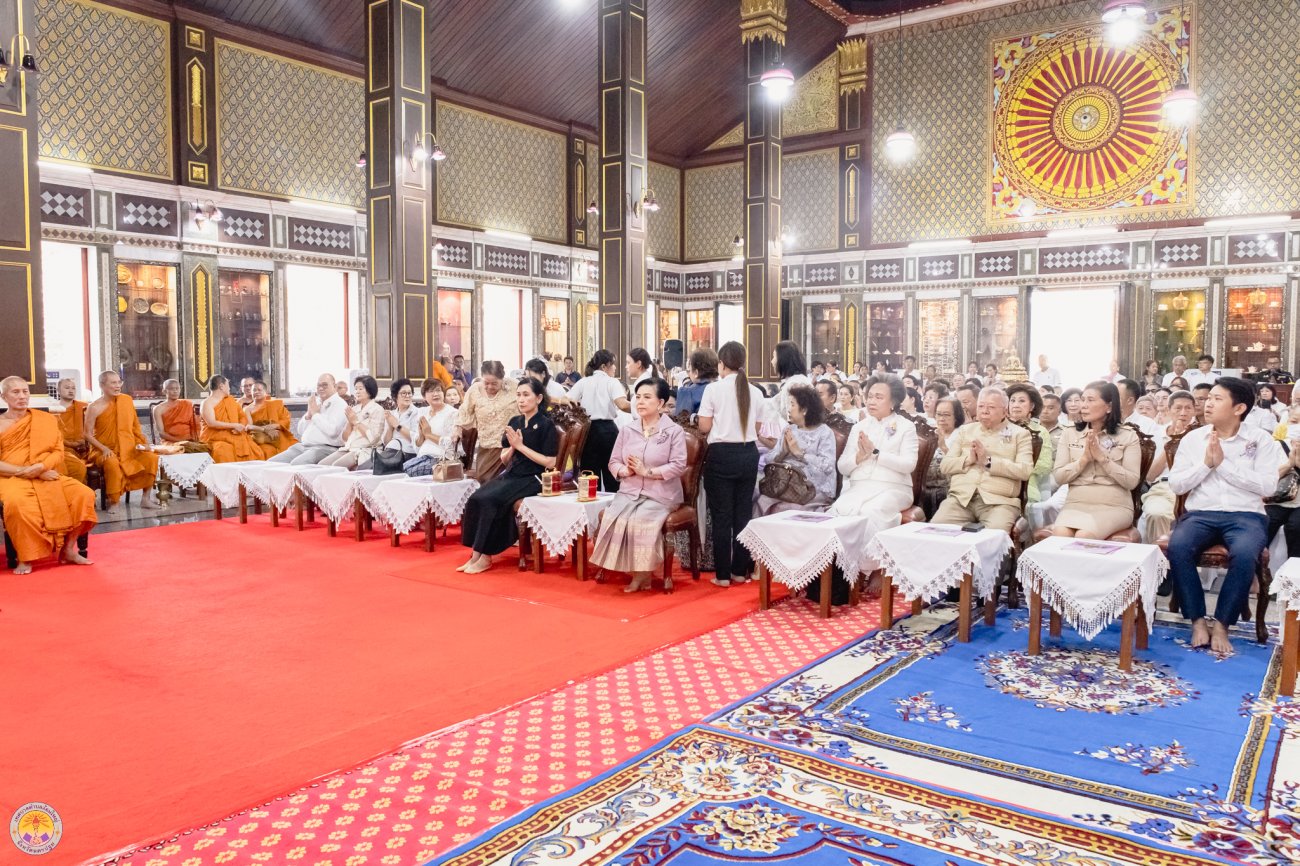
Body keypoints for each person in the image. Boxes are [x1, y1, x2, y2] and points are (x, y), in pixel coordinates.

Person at [1167, 378, 1285, 654]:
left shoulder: (1260, 440)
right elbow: (1177, 484)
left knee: (1245, 553)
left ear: (1239, 407)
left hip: (1247, 516)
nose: (1208, 403)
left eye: (1218, 399)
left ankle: (1221, 624)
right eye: (1209, 398)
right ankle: (1197, 619)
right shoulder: (1193, 439)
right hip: (1201, 514)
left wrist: (1225, 465)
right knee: (1179, 546)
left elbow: (1268, 486)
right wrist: (1206, 464)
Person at [590, 378, 688, 592]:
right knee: (616, 517)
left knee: (640, 519)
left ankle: (642, 575)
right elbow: (613, 461)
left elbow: (679, 465)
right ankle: (634, 572)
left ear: (661, 403)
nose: (640, 401)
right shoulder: (627, 430)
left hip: (661, 493)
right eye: (638, 397)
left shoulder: (673, 432)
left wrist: (648, 472)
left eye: (647, 397)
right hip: (630, 490)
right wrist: (624, 471)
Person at [458, 379, 558, 574]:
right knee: (476, 497)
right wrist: (512, 447)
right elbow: (504, 459)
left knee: (491, 500)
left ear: (538, 398)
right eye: (519, 395)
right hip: (512, 474)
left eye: (526, 395)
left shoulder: (546, 425)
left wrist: (521, 446)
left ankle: (485, 556)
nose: (521, 400)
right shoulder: (515, 422)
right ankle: (476, 554)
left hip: (534, 478)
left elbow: (550, 462)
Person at [0, 376, 96, 574]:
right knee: (18, 504)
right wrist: (26, 472)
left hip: (46, 473)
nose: (21, 396)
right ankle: (26, 557)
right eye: (15, 392)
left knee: (83, 494)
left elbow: (57, 451)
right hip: (10, 478)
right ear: (3, 396)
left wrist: (41, 468)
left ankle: (68, 549)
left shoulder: (44, 420)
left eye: (25, 391)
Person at [697, 341, 765, 587]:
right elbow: (758, 428)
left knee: (721, 516)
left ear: (721, 364)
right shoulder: (755, 392)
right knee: (742, 514)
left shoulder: (714, 390)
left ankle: (723, 575)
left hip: (721, 455)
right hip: (748, 455)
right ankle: (739, 571)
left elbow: (704, 427)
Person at [933, 388, 1033, 534]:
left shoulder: (1020, 434)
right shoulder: (965, 431)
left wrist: (988, 462)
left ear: (1005, 411)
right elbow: (945, 466)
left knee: (993, 539)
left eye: (991, 407)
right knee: (935, 531)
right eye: (981, 406)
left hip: (998, 502)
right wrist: (968, 460)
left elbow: (1025, 470)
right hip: (961, 499)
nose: (984, 411)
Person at [1050, 382, 1142, 538]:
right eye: (1082, 399)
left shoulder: (1128, 436)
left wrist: (1102, 458)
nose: (1083, 405)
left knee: (1084, 535)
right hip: (1076, 503)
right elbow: (1059, 477)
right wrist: (1084, 460)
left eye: (1090, 400)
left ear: (1109, 407)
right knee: (1060, 534)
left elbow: (1132, 481)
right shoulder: (1070, 433)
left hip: (1114, 506)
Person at [831, 375, 918, 528]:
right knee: (839, 510)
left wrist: (876, 453)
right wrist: (858, 457)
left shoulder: (906, 427)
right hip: (859, 487)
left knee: (871, 512)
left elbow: (909, 465)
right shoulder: (859, 427)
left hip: (893, 488)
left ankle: (871, 553)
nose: (871, 401)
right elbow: (842, 467)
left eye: (878, 397)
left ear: (893, 402)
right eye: (869, 396)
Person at [755, 385, 837, 517]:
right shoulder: (789, 429)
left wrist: (800, 454)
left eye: (792, 405)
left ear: (804, 409)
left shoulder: (824, 432)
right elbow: (769, 460)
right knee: (762, 501)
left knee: (786, 507)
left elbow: (827, 467)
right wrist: (783, 452)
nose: (788, 409)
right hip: (785, 484)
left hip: (811, 488)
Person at [84, 371, 160, 511]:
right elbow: (87, 434)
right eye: (113, 383)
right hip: (102, 450)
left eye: (119, 382)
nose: (117, 386)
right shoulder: (94, 407)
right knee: (112, 462)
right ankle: (114, 502)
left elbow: (135, 425)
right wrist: (104, 449)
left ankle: (145, 499)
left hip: (129, 447)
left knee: (151, 458)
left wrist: (143, 443)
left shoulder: (126, 400)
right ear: (102, 385)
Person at [568, 350, 631, 492]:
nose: (615, 368)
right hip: (608, 431)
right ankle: (612, 510)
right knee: (612, 474)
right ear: (604, 366)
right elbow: (622, 404)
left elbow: (568, 400)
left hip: (587, 431)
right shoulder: (612, 382)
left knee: (590, 476)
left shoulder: (583, 382)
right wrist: (644, 406)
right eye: (613, 364)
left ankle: (590, 512)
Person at [1140, 390, 1197, 545]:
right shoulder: (1157, 434)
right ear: (1169, 409)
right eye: (1178, 408)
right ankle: (1160, 564)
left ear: (1194, 411)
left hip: (1194, 489)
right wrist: (1172, 444)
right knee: (1156, 513)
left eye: (1188, 408)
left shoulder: (1201, 434)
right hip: (1163, 487)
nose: (1183, 413)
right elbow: (1150, 476)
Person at [453, 361, 518, 481]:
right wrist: (457, 428)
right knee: (484, 479)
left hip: (511, 446)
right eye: (486, 383)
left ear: (502, 379)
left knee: (505, 482)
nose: (490, 387)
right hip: (486, 446)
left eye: (494, 383)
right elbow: (464, 411)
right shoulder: (474, 390)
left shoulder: (514, 386)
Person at [269, 373, 348, 465]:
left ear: (334, 386)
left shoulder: (340, 404)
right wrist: (309, 415)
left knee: (297, 464)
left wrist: (315, 414)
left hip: (325, 448)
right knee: (272, 463)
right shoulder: (316, 402)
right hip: (303, 446)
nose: (321, 388)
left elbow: (332, 432)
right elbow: (300, 430)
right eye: (319, 385)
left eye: (325, 385)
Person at [319, 376, 385, 469]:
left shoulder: (377, 410)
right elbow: (345, 438)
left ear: (370, 390)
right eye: (356, 389)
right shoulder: (355, 409)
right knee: (322, 465)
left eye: (361, 389)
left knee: (336, 467)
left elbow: (374, 439)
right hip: (349, 448)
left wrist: (356, 422)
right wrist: (350, 422)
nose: (357, 391)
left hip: (366, 450)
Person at [1006, 382, 1054, 504]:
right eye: (1012, 401)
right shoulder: (1000, 428)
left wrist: (1017, 467)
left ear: (1032, 406)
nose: (1016, 405)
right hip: (997, 482)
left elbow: (1045, 465)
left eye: (1021, 401)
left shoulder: (1040, 431)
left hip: (1027, 485)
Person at [402, 379, 460, 475]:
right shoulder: (422, 412)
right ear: (424, 397)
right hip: (422, 457)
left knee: (411, 473)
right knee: (401, 470)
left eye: (438, 390)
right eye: (431, 391)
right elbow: (417, 445)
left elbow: (452, 445)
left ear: (443, 393)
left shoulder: (453, 413)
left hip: (441, 459)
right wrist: (421, 435)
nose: (435, 394)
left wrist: (429, 434)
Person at [199, 375, 259, 463]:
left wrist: (240, 427)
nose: (229, 388)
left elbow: (242, 416)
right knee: (223, 450)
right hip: (215, 438)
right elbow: (211, 423)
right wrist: (233, 425)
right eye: (228, 385)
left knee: (255, 450)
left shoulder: (230, 400)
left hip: (235, 434)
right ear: (221, 386)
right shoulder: (207, 402)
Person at [923, 395, 964, 518]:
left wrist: (943, 446)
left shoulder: (962, 434)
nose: (941, 418)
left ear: (956, 416)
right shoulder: (929, 432)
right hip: (925, 485)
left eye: (946, 415)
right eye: (938, 414)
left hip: (949, 486)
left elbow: (960, 464)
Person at [248, 380, 297, 459]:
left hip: (278, 434)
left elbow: (286, 419)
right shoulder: (248, 409)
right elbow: (248, 427)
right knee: (267, 451)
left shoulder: (275, 405)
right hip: (260, 437)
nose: (256, 392)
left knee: (294, 447)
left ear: (265, 393)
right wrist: (264, 429)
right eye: (254, 390)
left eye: (259, 390)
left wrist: (275, 425)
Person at [53, 377, 90, 483]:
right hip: (63, 449)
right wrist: (70, 444)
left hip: (84, 448)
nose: (71, 390)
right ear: (58, 390)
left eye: (73, 388)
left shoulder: (85, 407)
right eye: (67, 388)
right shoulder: (52, 410)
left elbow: (94, 428)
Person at [769, 340, 812, 424]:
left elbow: (794, 418)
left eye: (774, 356)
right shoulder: (794, 381)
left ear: (783, 359)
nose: (772, 361)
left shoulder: (795, 384)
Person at [379, 378, 421, 460]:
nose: (407, 396)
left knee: (376, 467)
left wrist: (397, 425)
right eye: (403, 393)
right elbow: (386, 442)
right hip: (390, 451)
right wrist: (390, 427)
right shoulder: (392, 414)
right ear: (395, 396)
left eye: (409, 393)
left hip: (407, 453)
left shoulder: (417, 413)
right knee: (366, 467)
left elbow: (416, 440)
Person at [153, 379, 199, 443]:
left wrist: (193, 441)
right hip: (170, 442)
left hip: (190, 440)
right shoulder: (158, 409)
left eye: (177, 388)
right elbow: (161, 433)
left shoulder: (187, 404)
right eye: (172, 389)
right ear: (164, 391)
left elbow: (195, 426)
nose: (175, 391)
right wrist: (181, 442)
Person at [675, 347, 717, 416]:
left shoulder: (687, 392)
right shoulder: (723, 389)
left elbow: (682, 420)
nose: (689, 373)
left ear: (696, 372)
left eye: (690, 369)